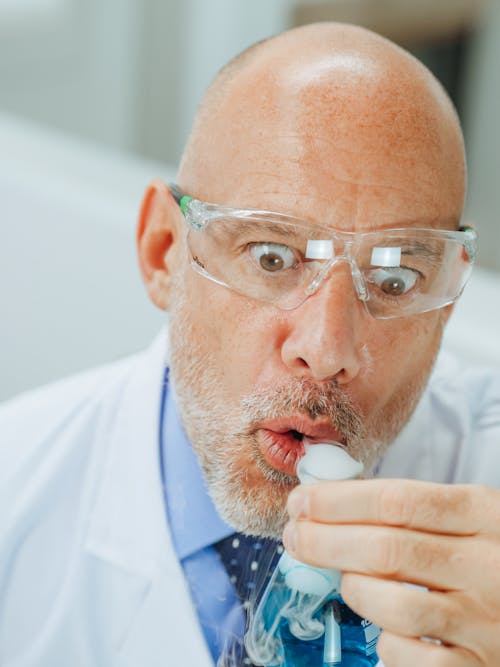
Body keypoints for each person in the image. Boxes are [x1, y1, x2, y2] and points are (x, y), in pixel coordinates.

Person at [1, 20, 499, 667]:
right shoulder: (14, 493)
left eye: (396, 278)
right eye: (271, 256)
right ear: (163, 251)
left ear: (446, 304)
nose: (326, 349)